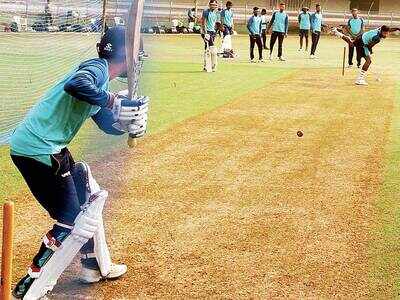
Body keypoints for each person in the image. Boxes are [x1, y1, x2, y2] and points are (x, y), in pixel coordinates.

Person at [9, 26, 149, 299]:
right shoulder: (96, 69)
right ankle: (28, 288)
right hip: (38, 148)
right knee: (71, 220)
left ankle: (93, 266)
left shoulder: (101, 82)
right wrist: (112, 101)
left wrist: (128, 123)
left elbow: (107, 123)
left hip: (47, 147)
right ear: (125, 55)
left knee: (88, 191)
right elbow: (76, 85)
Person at [332, 25, 400, 85]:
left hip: (361, 37)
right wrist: (370, 51)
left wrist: (397, 28)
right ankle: (359, 79)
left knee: (351, 44)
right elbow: (369, 46)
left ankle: (338, 33)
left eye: (387, 33)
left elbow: (390, 29)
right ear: (382, 31)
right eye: (385, 33)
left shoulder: (380, 28)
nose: (386, 35)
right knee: (368, 61)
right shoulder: (377, 38)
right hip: (363, 43)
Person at [201, 0, 221, 71]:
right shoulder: (206, 12)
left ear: (216, 6)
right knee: (212, 47)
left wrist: (217, 31)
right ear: (209, 5)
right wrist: (205, 33)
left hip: (213, 32)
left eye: (215, 5)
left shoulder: (217, 13)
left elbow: (217, 23)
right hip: (206, 32)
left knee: (208, 48)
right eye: (212, 5)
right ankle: (213, 65)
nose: (213, 6)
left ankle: (206, 65)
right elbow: (203, 23)